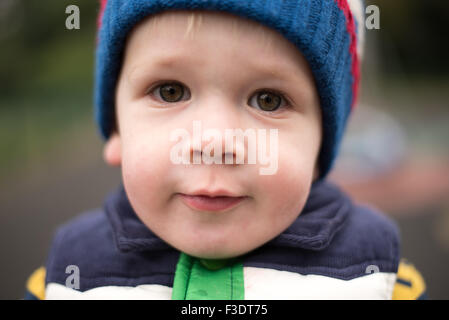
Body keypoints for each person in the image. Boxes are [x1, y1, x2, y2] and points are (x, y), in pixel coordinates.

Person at [25, 0, 426, 300]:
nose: (215, 142)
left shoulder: (378, 279)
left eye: (268, 99)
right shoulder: (66, 280)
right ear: (117, 130)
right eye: (171, 91)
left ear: (321, 142)